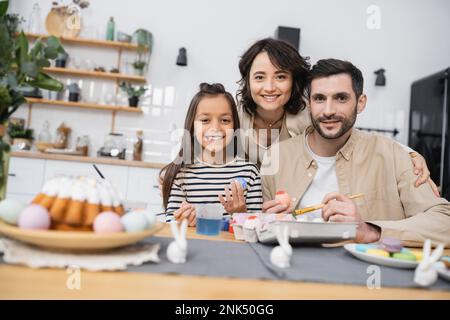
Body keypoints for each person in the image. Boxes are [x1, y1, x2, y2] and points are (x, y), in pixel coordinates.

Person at [261, 59, 450, 246]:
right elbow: (258, 228)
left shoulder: (393, 156)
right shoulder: (275, 157)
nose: (328, 111)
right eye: (319, 98)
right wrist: (268, 223)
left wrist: (370, 231)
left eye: (341, 98)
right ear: (309, 104)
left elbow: (444, 222)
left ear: (360, 103)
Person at [236, 38, 439, 195]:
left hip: (283, 202)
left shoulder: (309, 113)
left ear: (293, 81)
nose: (270, 87)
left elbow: (355, 137)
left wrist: (411, 155)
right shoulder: (234, 116)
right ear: (248, 81)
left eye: (280, 77)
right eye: (259, 77)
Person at [161, 83, 262, 226]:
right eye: (205, 120)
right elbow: (171, 223)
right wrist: (183, 220)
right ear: (192, 126)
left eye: (225, 120)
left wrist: (241, 213)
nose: (215, 128)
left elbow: (257, 227)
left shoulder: (249, 172)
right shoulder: (181, 173)